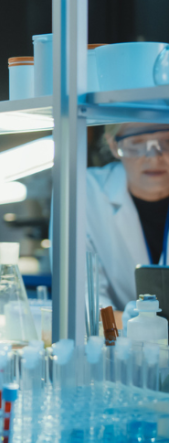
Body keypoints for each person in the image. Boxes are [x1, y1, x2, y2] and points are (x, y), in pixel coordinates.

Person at [87, 123, 169, 311]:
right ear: (114, 145)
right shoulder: (86, 191)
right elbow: (84, 299)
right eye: (137, 143)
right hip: (117, 337)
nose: (154, 158)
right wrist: (132, 328)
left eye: (167, 141)